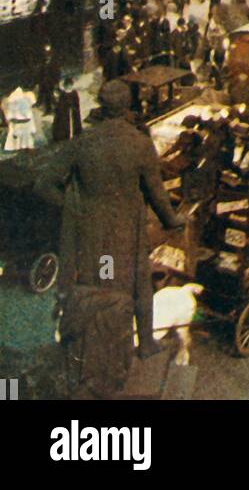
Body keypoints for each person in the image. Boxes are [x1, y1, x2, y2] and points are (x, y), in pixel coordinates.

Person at [36, 79, 183, 360]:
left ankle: (86, 341)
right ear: (127, 106)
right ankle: (147, 343)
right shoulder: (140, 144)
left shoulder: (82, 142)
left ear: (102, 106)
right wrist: (173, 221)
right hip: (128, 231)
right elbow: (157, 195)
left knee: (100, 282)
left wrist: (74, 207)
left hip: (90, 234)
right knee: (140, 283)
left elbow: (44, 184)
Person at [52, 75, 82, 142]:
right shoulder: (63, 94)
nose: (68, 87)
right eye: (67, 85)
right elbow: (60, 105)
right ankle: (64, 136)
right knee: (63, 124)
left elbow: (76, 104)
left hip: (71, 113)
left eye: (69, 85)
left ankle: (74, 133)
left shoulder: (73, 93)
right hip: (64, 114)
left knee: (72, 123)